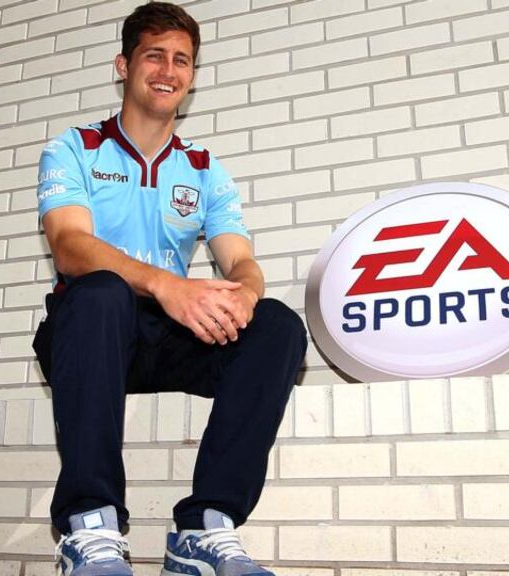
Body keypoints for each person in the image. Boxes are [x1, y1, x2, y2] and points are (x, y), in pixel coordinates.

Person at [32, 3, 307, 576]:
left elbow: (243, 261)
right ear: (124, 65)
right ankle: (91, 526)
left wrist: (244, 296)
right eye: (154, 54)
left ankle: (203, 529)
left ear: (192, 76)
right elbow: (69, 245)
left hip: (170, 337)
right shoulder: (75, 147)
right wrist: (168, 286)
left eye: (182, 59)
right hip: (91, 334)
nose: (168, 68)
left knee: (279, 324)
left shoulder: (204, 168)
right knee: (104, 290)